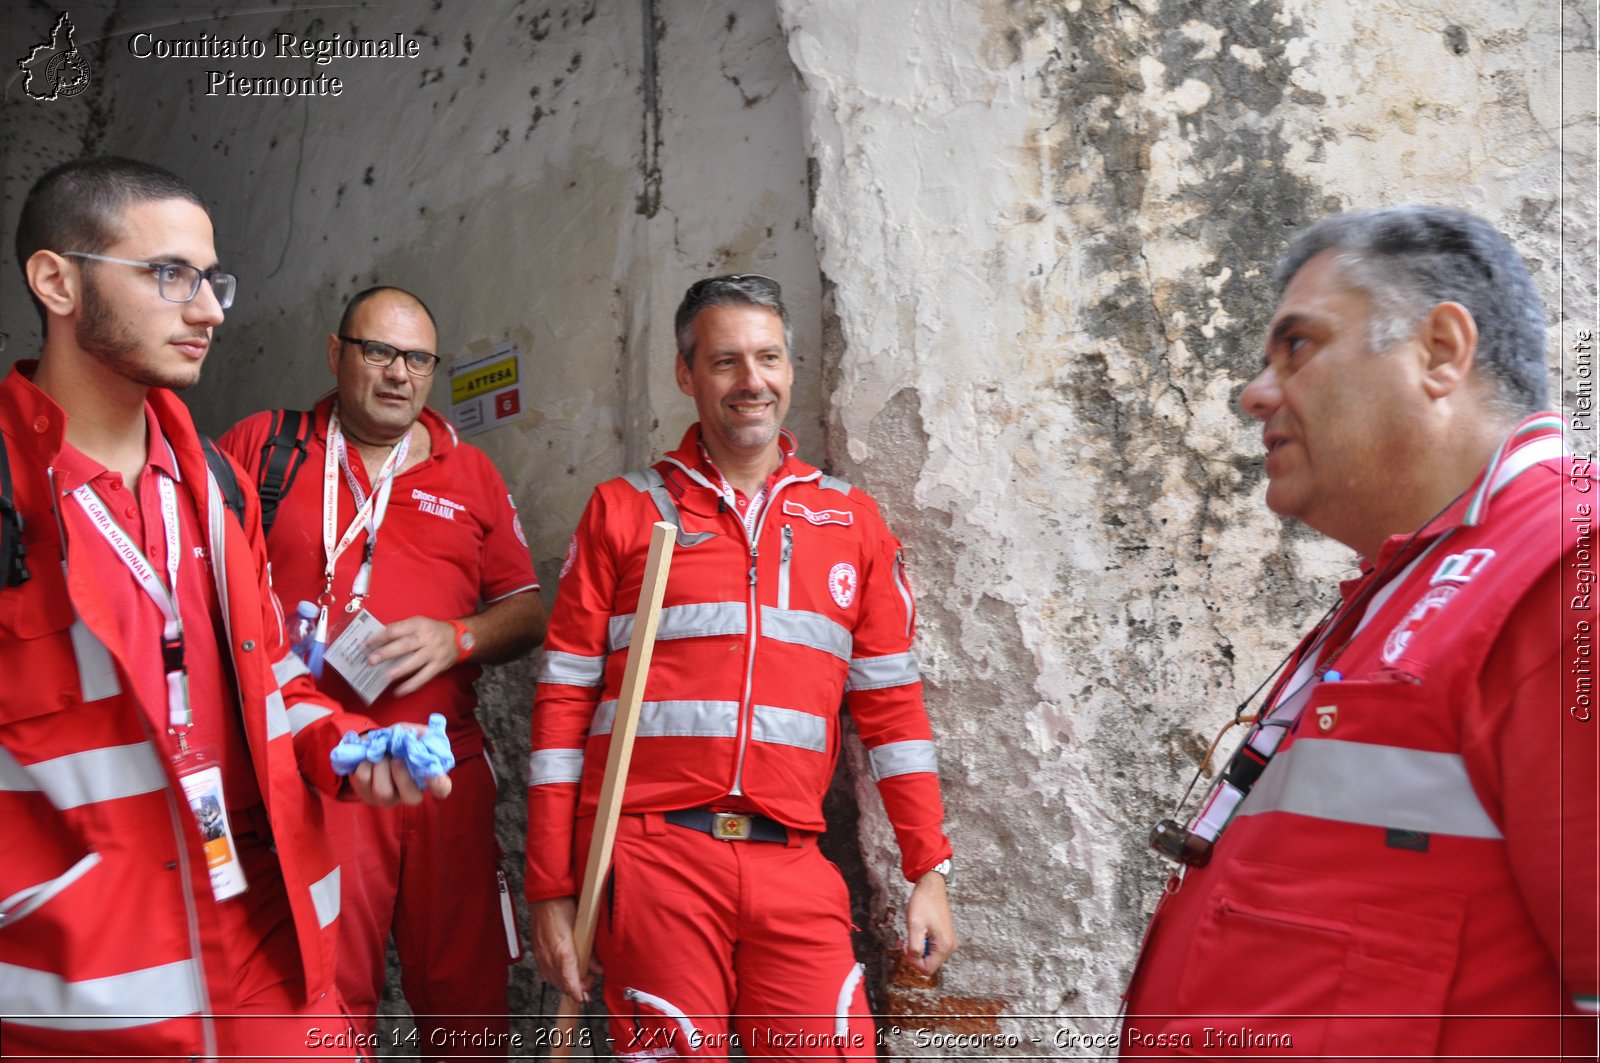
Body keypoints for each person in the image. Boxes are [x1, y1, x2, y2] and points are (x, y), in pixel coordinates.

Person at [1121, 206, 1598, 1060]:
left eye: (1298, 347)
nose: (1254, 392)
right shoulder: (1412, 583)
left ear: (1441, 351)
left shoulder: (1565, 577)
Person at [0, 156, 450, 1059]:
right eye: (171, 275)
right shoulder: (9, 496)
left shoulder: (218, 485)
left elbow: (272, 674)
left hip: (276, 966)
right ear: (56, 281)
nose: (208, 310)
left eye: (212, 281)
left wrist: (342, 745)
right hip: (90, 1005)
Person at [527, 274, 957, 1060]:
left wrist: (928, 868)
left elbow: (893, 713)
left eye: (768, 358)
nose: (751, 380)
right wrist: (553, 888)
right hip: (656, 860)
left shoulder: (850, 522)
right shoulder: (626, 510)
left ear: (791, 370)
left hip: (794, 860)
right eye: (726, 362)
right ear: (687, 375)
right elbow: (560, 709)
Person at [220, 285, 545, 1055]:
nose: (400, 372)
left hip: (443, 775)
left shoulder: (472, 476)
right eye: (379, 351)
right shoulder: (266, 447)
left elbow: (529, 610)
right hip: (317, 775)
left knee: (467, 1002)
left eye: (418, 358)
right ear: (337, 354)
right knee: (328, 994)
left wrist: (461, 636)